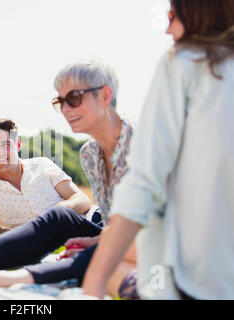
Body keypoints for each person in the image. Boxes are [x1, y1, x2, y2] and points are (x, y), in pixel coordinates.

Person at [0, 59, 138, 299]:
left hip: (109, 228)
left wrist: (47, 220)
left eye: (73, 99)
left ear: (105, 95)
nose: (65, 109)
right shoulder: (90, 153)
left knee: (60, 217)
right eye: (60, 102)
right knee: (68, 235)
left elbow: (87, 204)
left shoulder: (140, 144)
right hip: (94, 235)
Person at [83, 0, 234, 300]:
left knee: (116, 271)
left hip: (192, 283)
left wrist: (93, 285)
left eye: (173, 15)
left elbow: (143, 185)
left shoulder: (185, 62)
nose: (166, 28)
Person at [0, 118, 95, 237]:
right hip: (43, 251)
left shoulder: (42, 165)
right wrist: (28, 233)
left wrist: (54, 214)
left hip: (89, 225)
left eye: (6, 144)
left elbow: (83, 201)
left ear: (18, 145)